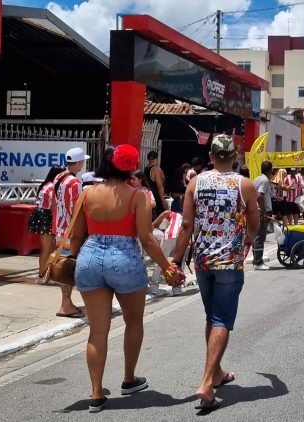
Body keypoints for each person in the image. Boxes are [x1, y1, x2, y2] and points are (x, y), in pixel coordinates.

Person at [70, 145, 183, 413]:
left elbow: (76, 236)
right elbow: (146, 239)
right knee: (134, 322)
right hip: (125, 260)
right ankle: (129, 379)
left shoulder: (86, 193)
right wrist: (168, 268)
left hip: (90, 257)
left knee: (97, 331)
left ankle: (96, 393)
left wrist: (77, 259)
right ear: (131, 168)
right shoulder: (138, 197)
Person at [172, 134, 260, 411]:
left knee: (211, 316)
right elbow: (255, 223)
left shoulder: (195, 183)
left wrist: (175, 261)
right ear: (235, 157)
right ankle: (207, 383)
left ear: (211, 156)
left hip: (203, 261)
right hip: (230, 262)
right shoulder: (243, 184)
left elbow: (186, 225)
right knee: (222, 319)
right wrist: (245, 243)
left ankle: (217, 372)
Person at [52, 147, 89, 318]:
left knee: (64, 265)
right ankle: (66, 305)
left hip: (59, 228)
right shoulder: (75, 182)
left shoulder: (58, 177)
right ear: (80, 162)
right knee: (70, 266)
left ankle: (66, 303)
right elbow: (77, 208)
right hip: (71, 230)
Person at [28, 166, 65, 285]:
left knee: (50, 248)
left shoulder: (46, 185)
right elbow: (54, 206)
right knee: (47, 248)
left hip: (43, 216)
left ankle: (46, 275)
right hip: (46, 216)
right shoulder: (52, 186)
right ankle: (41, 275)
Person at [150, 209, 185, 296]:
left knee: (160, 261)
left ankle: (154, 288)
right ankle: (177, 289)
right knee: (180, 263)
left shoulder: (173, 214)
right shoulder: (187, 217)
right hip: (181, 239)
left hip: (169, 236)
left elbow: (165, 213)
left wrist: (153, 224)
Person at [252, 161, 274, 270]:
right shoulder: (265, 180)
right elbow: (259, 196)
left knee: (256, 237)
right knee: (260, 237)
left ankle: (256, 260)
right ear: (270, 170)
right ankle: (258, 262)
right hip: (260, 212)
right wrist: (264, 212)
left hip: (255, 211)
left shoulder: (257, 179)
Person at [144, 151, 169, 219]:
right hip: (156, 198)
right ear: (156, 159)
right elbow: (159, 186)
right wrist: (163, 201)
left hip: (148, 197)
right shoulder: (156, 170)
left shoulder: (145, 169)